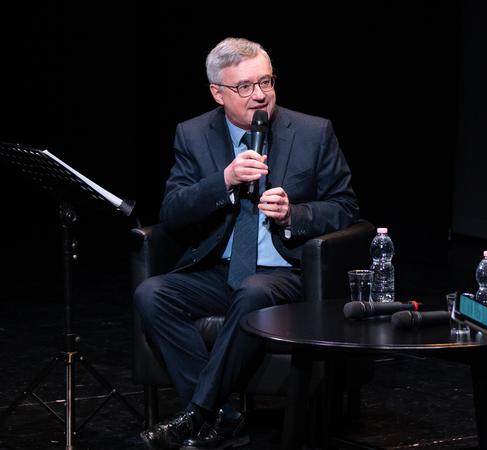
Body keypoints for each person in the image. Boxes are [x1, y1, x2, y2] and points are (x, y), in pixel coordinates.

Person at [134, 37, 358, 449]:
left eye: (266, 83)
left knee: (254, 291)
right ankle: (224, 416)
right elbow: (173, 211)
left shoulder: (313, 131)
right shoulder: (194, 134)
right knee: (152, 293)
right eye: (244, 87)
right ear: (217, 93)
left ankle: (196, 413)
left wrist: (295, 215)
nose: (259, 96)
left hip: (285, 270)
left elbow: (345, 207)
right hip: (219, 269)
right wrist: (223, 181)